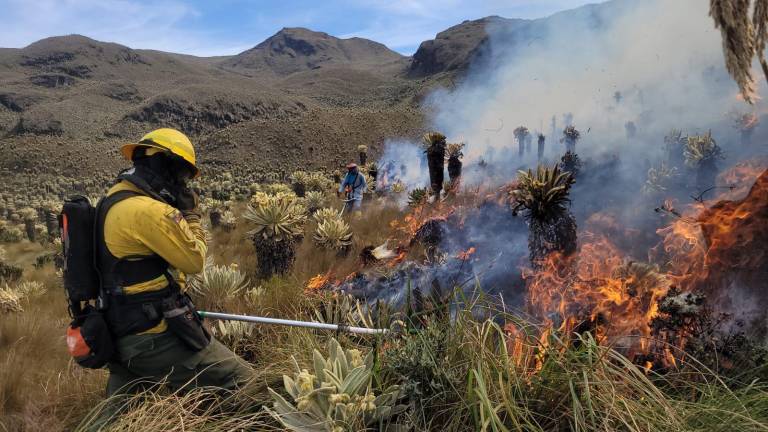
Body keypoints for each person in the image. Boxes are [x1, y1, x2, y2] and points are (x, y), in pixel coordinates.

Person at [99, 128, 253, 398]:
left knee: (117, 414)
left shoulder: (111, 200)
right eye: (182, 175)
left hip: (118, 333)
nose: (183, 184)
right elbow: (194, 260)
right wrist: (191, 215)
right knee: (245, 382)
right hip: (153, 337)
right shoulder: (150, 211)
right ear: (165, 164)